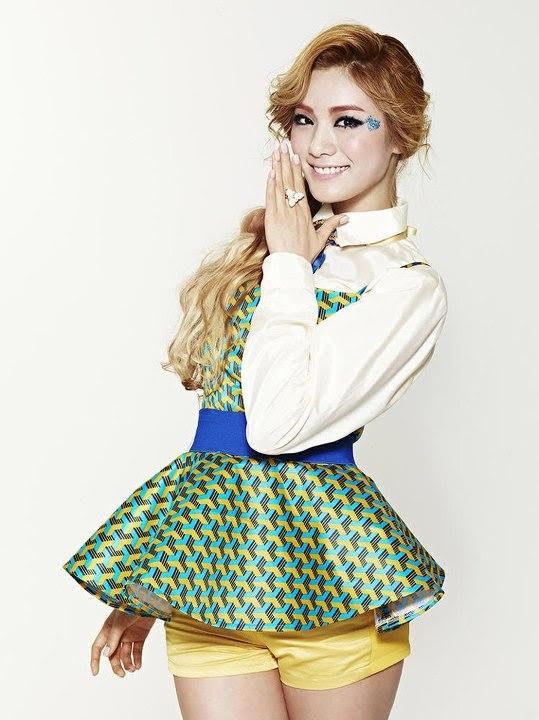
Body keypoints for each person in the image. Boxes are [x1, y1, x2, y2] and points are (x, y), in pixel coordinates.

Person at [62, 21, 448, 720]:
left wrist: (290, 263)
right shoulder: (274, 249)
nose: (319, 143)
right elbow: (219, 432)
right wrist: (152, 589)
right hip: (211, 582)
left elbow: (274, 428)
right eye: (304, 119)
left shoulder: (404, 285)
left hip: (328, 588)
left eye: (348, 120)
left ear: (399, 135)